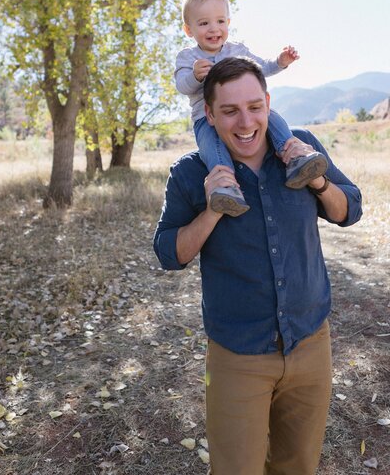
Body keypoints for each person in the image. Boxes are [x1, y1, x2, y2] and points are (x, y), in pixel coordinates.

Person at [154, 57, 362, 475]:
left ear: (268, 102)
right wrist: (213, 209)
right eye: (229, 111)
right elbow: (168, 254)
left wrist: (318, 181)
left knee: (298, 466)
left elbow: (349, 209)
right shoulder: (190, 173)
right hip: (237, 353)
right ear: (209, 114)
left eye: (254, 106)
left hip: (310, 342)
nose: (245, 121)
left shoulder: (301, 148)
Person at [175, 0, 328, 217]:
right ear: (189, 30)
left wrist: (280, 62)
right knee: (212, 149)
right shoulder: (188, 57)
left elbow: (262, 68)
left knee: (271, 118)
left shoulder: (237, 50)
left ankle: (296, 159)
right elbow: (181, 86)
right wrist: (195, 76)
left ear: (228, 22)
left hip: (247, 109)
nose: (214, 29)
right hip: (206, 119)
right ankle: (226, 190)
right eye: (204, 23)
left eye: (220, 21)